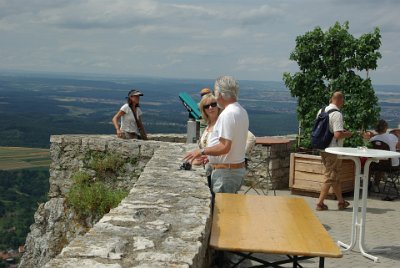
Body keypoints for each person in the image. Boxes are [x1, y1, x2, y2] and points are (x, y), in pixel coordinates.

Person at [184, 75, 249, 194]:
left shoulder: (228, 114)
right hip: (234, 170)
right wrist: (210, 157)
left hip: (226, 174)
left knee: (224, 210)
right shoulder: (241, 111)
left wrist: (202, 151)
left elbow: (225, 147)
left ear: (220, 94)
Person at [316, 91, 353, 211]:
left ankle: (341, 202)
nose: (343, 103)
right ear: (340, 100)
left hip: (323, 147)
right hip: (333, 149)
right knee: (330, 176)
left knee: (334, 175)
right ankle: (320, 204)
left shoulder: (321, 111)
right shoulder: (337, 114)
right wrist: (348, 134)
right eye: (343, 100)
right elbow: (337, 134)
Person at [193, 93, 222, 189]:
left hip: (221, 172)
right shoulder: (209, 125)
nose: (210, 108)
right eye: (206, 106)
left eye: (213, 104)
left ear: (218, 106)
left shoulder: (223, 123)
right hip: (210, 170)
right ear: (203, 110)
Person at [369, 119, 399, 188]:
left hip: (376, 164)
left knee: (381, 162)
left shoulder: (372, 139)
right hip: (391, 165)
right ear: (386, 128)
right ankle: (380, 180)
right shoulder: (392, 137)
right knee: (386, 161)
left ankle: (376, 183)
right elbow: (397, 146)